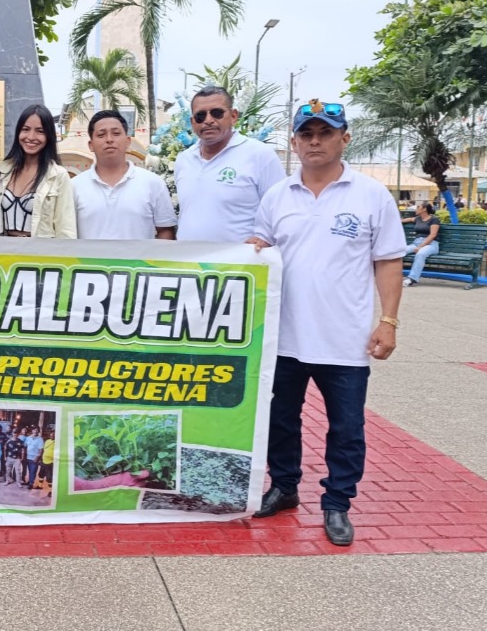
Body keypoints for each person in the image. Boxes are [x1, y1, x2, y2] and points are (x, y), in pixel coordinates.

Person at [248, 99, 403, 547]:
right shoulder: (278, 196)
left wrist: (388, 320)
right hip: (284, 336)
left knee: (347, 428)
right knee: (280, 420)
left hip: (345, 339)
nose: (315, 142)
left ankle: (337, 503)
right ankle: (284, 487)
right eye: (306, 134)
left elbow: (388, 262)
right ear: (295, 142)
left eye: (325, 133)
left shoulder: (371, 195)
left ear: (344, 138)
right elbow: (261, 249)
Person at [174, 86, 285, 242]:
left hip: (240, 257)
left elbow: (282, 210)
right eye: (200, 116)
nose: (208, 120)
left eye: (217, 113)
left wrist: (266, 239)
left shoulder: (260, 155)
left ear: (233, 116)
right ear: (192, 122)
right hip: (188, 256)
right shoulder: (184, 159)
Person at [72, 110, 177, 240]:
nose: (109, 139)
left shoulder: (153, 183)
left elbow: (165, 230)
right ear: (91, 145)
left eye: (116, 133)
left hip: (140, 255)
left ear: (127, 141)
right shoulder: (74, 186)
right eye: (101, 135)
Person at [0, 104, 76, 238]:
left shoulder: (58, 175)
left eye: (40, 131)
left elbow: (66, 230)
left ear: (49, 136)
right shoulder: (3, 171)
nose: (31, 137)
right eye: (26, 129)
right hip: (4, 249)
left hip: (40, 250)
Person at [401, 202, 440, 287]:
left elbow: (433, 235)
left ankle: (412, 279)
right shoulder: (418, 219)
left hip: (431, 244)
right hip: (416, 243)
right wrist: (399, 221)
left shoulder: (434, 219)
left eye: (418, 207)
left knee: (421, 253)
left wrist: (420, 247)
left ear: (424, 209)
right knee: (400, 251)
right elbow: (410, 219)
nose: (416, 209)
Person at [38, 429, 56, 496]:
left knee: (49, 478)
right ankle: (39, 486)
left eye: (53, 435)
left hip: (50, 463)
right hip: (44, 461)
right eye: (51, 435)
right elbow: (44, 450)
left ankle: (51, 491)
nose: (52, 436)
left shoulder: (57, 443)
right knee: (41, 475)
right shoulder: (47, 441)